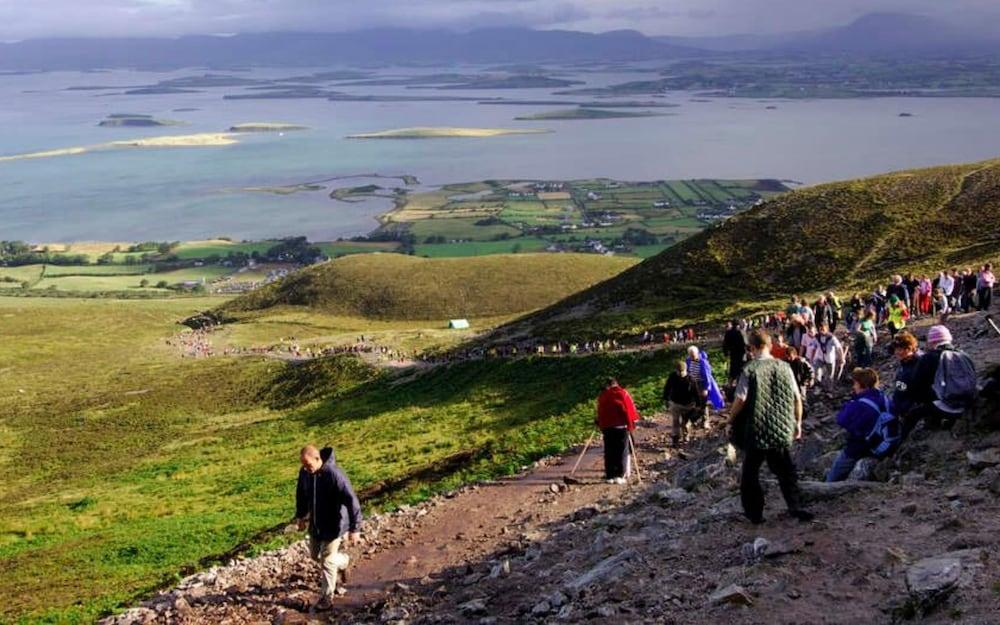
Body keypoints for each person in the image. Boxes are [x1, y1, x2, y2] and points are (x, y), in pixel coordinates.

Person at [728, 330, 813, 524]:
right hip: (782, 426)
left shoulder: (750, 370)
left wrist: (730, 420)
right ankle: (795, 506)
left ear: (754, 347)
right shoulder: (784, 366)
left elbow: (740, 399)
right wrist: (797, 423)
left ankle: (755, 514)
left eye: (749, 347)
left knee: (750, 474)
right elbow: (796, 397)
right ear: (769, 345)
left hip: (757, 428)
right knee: (786, 471)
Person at [296, 445, 363, 609]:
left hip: (334, 525)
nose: (306, 468)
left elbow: (351, 500)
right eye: (303, 465)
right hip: (316, 524)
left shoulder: (334, 475)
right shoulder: (305, 473)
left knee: (326, 560)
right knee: (314, 556)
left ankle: (327, 598)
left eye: (308, 465)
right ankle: (344, 561)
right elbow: (301, 496)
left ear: (318, 459)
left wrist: (355, 528)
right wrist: (301, 517)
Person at [827, 368, 896, 482]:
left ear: (862, 385)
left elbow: (841, 420)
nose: (854, 387)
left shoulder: (860, 405)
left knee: (840, 464)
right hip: (887, 442)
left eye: (855, 383)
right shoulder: (883, 397)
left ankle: (829, 486)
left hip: (866, 445)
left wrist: (851, 403)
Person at [905, 325, 978, 431]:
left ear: (932, 342)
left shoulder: (929, 358)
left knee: (913, 414)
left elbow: (915, 386)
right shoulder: (964, 355)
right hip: (969, 402)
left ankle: (900, 443)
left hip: (948, 405)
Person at [596, 378, 640, 484]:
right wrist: (631, 425)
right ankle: (620, 475)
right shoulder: (623, 393)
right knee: (621, 451)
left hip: (607, 427)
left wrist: (599, 422)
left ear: (608, 385)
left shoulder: (603, 395)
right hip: (621, 426)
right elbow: (629, 410)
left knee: (609, 451)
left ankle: (610, 475)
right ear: (616, 384)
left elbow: (600, 411)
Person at [889, 331, 923, 437]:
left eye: (899, 349)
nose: (896, 352)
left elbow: (913, 388)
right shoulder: (906, 361)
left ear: (908, 348)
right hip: (902, 404)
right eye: (896, 349)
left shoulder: (919, 364)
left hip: (910, 407)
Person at [663, 361, 701, 447]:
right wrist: (666, 399)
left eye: (682, 372)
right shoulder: (672, 377)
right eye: (678, 371)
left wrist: (698, 405)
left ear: (686, 370)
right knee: (676, 421)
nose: (680, 373)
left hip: (688, 405)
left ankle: (686, 436)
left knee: (685, 423)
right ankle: (675, 439)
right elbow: (667, 388)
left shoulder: (691, 379)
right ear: (676, 370)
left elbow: (696, 393)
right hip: (675, 403)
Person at [686, 345, 726, 425]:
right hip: (693, 384)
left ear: (697, 353)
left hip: (702, 384)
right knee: (696, 403)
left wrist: (706, 388)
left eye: (693, 355)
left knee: (703, 403)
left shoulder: (703, 362)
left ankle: (705, 421)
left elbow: (707, 376)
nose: (692, 357)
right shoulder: (688, 360)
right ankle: (696, 419)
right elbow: (687, 371)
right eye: (690, 355)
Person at [813, 323, 845, 393]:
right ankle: (818, 386)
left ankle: (829, 389)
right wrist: (812, 357)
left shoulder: (832, 338)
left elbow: (839, 348)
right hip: (820, 358)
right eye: (820, 329)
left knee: (830, 375)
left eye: (823, 329)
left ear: (827, 329)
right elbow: (813, 347)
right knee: (817, 372)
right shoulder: (816, 337)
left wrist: (841, 358)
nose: (821, 331)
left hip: (829, 359)